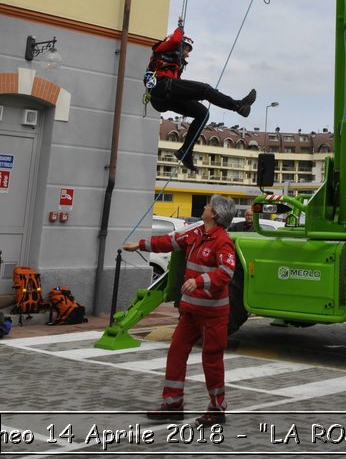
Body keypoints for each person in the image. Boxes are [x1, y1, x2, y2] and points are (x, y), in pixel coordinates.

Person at [124, 195, 237, 424]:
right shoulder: (196, 234)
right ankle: (173, 404)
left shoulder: (222, 241)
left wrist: (199, 281)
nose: (204, 207)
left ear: (214, 214)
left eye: (208, 205)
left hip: (213, 314)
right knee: (176, 353)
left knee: (211, 360)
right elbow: (170, 241)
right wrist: (141, 245)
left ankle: (217, 409)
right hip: (191, 312)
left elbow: (226, 272)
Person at [144, 26, 256, 172]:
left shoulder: (176, 66)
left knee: (203, 113)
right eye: (186, 50)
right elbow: (176, 39)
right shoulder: (160, 49)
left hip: (167, 95)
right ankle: (237, 105)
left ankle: (186, 151)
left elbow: (180, 86)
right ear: (179, 46)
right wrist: (180, 29)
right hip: (161, 88)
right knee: (204, 89)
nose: (187, 55)